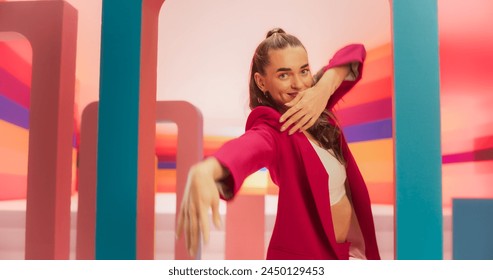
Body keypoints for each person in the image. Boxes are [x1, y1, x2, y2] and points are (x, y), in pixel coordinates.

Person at [176, 28, 380, 260]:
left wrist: (323, 89)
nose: (298, 84)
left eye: (304, 71)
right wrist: (210, 168)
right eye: (283, 75)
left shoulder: (314, 103)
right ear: (261, 82)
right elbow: (249, 147)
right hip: (309, 259)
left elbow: (355, 52)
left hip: (352, 254)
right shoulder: (273, 128)